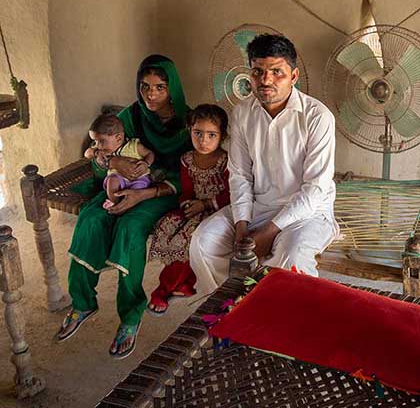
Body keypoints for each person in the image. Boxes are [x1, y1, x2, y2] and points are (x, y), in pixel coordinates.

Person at [55, 54, 191, 360]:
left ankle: (130, 316)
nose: (151, 94)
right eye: (144, 86)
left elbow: (191, 173)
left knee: (130, 229)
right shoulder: (132, 116)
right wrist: (115, 160)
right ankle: (82, 302)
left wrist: (142, 195)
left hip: (161, 191)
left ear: (173, 88)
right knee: (91, 218)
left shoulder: (188, 123)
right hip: (120, 184)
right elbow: (101, 152)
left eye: (159, 87)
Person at [190, 34, 339, 294]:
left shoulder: (317, 117)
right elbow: (240, 176)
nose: (266, 80)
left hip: (308, 213)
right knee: (203, 243)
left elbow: (314, 190)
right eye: (258, 71)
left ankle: (280, 327)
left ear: (293, 76)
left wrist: (268, 233)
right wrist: (242, 227)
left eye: (276, 72)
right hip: (259, 206)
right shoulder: (243, 113)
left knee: (291, 260)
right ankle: (235, 308)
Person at [147, 104, 230, 314]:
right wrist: (187, 204)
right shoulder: (187, 160)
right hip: (194, 207)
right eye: (198, 133)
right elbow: (186, 190)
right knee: (168, 226)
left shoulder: (225, 161)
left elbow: (230, 194)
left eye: (212, 135)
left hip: (217, 210)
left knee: (188, 238)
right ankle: (184, 283)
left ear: (222, 135)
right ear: (189, 131)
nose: (204, 141)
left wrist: (204, 204)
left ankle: (163, 289)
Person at [84, 114, 154, 210]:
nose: (98, 146)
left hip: (138, 178)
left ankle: (129, 204)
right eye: (95, 142)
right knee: (111, 181)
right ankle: (114, 203)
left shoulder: (134, 146)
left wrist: (146, 164)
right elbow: (87, 154)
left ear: (119, 138)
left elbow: (150, 153)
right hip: (117, 178)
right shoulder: (101, 150)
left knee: (137, 188)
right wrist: (95, 153)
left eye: (101, 141)